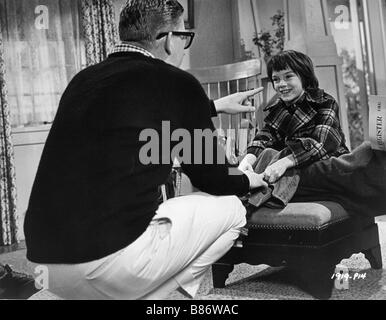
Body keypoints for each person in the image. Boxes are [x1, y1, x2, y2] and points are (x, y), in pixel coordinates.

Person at [23, 0, 268, 300]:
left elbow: (134, 112)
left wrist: (214, 106)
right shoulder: (178, 83)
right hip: (107, 263)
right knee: (232, 209)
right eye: (184, 36)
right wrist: (247, 180)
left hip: (46, 263)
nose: (184, 46)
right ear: (167, 39)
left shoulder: (83, 80)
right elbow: (212, 178)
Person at [239, 50, 349, 184]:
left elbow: (321, 143)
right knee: (267, 154)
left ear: (304, 77)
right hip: (298, 168)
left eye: (288, 77)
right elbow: (264, 137)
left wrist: (283, 163)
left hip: (327, 165)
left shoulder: (324, 102)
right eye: (276, 79)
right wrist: (248, 160)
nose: (281, 84)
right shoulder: (278, 108)